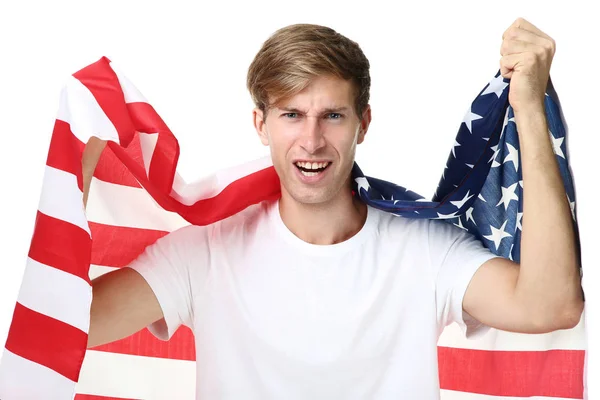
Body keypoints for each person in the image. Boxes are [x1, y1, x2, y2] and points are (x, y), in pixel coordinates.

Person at [85, 18, 584, 399]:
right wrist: (79, 148)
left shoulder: (424, 250)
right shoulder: (204, 253)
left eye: (333, 116)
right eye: (292, 115)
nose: (312, 140)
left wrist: (529, 108)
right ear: (261, 124)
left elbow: (551, 306)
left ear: (363, 123)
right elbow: (69, 322)